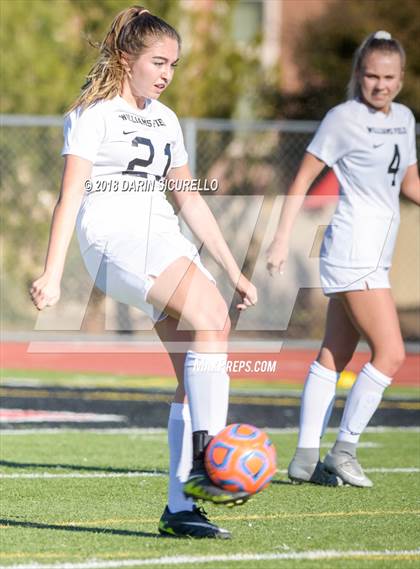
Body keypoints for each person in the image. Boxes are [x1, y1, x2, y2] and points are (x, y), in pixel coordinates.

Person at [30, 6, 257, 538]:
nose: (166, 73)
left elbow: (191, 201)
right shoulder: (93, 114)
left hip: (163, 240)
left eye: (174, 64)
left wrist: (232, 268)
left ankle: (181, 507)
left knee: (195, 367)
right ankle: (210, 462)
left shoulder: (166, 118)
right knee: (211, 320)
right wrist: (53, 272)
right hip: (114, 242)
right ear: (126, 58)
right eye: (158, 61)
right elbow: (70, 197)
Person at [267, 31, 419, 487]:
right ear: (359, 75)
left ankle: (305, 459)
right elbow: (302, 179)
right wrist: (278, 240)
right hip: (353, 250)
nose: (380, 85)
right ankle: (344, 451)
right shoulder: (342, 118)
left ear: (401, 77)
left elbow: (409, 183)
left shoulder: (405, 118)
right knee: (391, 353)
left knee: (335, 353)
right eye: (371, 76)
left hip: (377, 253)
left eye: (389, 77)